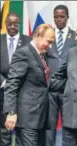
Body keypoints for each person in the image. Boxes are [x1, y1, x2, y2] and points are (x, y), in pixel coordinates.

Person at [3, 24, 55, 146]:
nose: (50, 46)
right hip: (27, 118)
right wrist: (11, 112)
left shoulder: (43, 55)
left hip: (40, 118)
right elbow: (12, 83)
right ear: (38, 35)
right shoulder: (23, 54)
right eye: (48, 41)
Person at [46, 4, 76, 146]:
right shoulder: (47, 35)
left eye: (62, 17)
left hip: (68, 88)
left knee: (68, 127)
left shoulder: (75, 36)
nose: (59, 20)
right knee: (49, 127)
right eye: (56, 17)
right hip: (50, 89)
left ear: (67, 18)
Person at [0, 12, 31, 146]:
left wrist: (16, 82)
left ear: (19, 24)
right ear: (5, 24)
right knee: (3, 130)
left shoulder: (28, 41)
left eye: (15, 24)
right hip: (2, 91)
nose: (12, 26)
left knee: (22, 130)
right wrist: (4, 82)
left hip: (23, 91)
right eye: (9, 23)